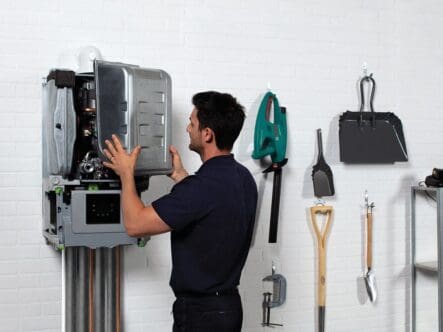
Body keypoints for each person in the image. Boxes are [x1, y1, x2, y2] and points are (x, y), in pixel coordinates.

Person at [103, 91, 258, 332]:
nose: (187, 129)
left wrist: (126, 174)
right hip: (229, 309)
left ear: (207, 134)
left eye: (192, 123)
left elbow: (135, 224)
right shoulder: (243, 177)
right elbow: (211, 207)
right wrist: (180, 176)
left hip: (200, 316)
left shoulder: (200, 188)